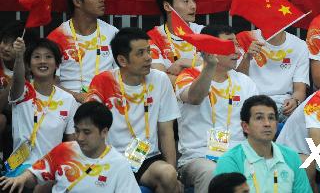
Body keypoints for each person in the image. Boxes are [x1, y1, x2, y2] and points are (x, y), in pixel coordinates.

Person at [86, 27, 180, 192]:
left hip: (147, 159)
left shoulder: (160, 79)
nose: (148, 58)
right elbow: (89, 127)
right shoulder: (104, 81)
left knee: (168, 174)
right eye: (140, 53)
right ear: (122, 60)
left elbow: (166, 131)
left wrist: (174, 175)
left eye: (149, 51)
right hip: (111, 159)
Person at [175, 25, 259, 193]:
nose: (237, 50)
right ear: (210, 48)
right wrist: (210, 66)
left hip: (238, 154)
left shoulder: (245, 81)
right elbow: (195, 98)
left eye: (237, 44)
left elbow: (255, 122)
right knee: (213, 173)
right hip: (198, 157)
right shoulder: (188, 75)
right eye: (229, 44)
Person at [0, 101, 141, 192]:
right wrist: (21, 179)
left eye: (87, 132)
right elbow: (35, 175)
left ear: (104, 132)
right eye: (77, 130)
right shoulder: (65, 149)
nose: (79, 138)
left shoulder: (119, 165)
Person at [4, 37, 77, 176]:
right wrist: (19, 57)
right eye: (36, 57)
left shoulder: (68, 100)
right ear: (29, 65)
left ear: (57, 64)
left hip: (52, 169)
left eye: (48, 57)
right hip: (21, 168)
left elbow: (71, 142)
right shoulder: (23, 92)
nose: (42, 61)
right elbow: (18, 80)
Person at [236, 0, 309, 122]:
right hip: (251, 103)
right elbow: (237, 81)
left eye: (278, 7)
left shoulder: (300, 46)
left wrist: (295, 101)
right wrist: (247, 57)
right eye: (267, 8)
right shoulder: (244, 38)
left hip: (284, 107)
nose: (272, 13)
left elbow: (300, 89)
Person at [215, 95, 311, 192]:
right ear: (245, 126)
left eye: (271, 118)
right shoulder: (230, 161)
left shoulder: (291, 157)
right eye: (259, 118)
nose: (267, 123)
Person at [48, 0, 118, 103]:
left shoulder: (113, 34)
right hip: (67, 104)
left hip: (105, 102)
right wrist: (77, 96)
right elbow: (50, 82)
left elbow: (122, 77)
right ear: (77, 1)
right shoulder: (57, 37)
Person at [148, 0, 204, 83]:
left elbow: (220, 65)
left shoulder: (203, 32)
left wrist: (182, 62)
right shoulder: (153, 38)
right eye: (185, 1)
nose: (193, 6)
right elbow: (161, 79)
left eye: (193, 0)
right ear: (167, 6)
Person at [0, 21, 37, 160]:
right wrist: (18, 77)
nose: (6, 48)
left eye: (13, 45)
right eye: (4, 42)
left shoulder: (35, 66)